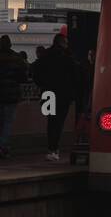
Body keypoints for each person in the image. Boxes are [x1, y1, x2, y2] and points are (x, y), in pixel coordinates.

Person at [31, 34, 79, 163]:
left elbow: (35, 73)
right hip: (63, 94)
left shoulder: (45, 56)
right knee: (59, 121)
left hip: (48, 93)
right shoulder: (67, 57)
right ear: (63, 43)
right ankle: (54, 149)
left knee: (51, 121)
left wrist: (43, 84)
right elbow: (75, 75)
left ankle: (51, 148)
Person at [0, 35, 27, 159]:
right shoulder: (17, 58)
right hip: (11, 95)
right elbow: (23, 77)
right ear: (10, 45)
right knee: (8, 122)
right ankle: (3, 147)